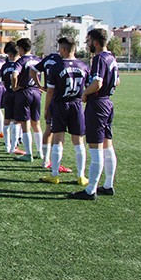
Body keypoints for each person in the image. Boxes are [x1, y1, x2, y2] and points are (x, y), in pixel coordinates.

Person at [68, 28, 120, 200]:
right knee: (107, 144)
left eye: (89, 41)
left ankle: (90, 190)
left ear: (95, 43)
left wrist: (84, 93)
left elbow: (97, 83)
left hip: (97, 104)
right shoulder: (112, 57)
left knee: (96, 147)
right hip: (108, 103)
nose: (88, 44)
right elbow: (117, 81)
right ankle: (108, 185)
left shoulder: (98, 58)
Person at [40, 37, 89, 186]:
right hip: (77, 105)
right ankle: (81, 176)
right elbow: (88, 87)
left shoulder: (56, 66)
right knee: (78, 140)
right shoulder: (84, 66)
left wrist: (47, 108)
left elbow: (50, 92)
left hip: (60, 105)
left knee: (58, 139)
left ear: (63, 49)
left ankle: (55, 175)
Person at [30, 52, 73, 173]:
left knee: (49, 129)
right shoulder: (63, 61)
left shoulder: (49, 58)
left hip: (52, 97)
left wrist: (39, 85)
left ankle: (46, 160)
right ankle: (54, 164)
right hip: (61, 98)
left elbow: (32, 70)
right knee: (59, 133)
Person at [12, 38, 43, 162]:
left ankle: (28, 154)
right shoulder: (38, 60)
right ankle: (40, 152)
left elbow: (14, 74)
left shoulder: (21, 61)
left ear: (21, 49)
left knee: (26, 124)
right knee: (37, 123)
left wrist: (14, 87)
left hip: (24, 92)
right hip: (36, 92)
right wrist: (40, 85)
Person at [0, 42, 25, 154]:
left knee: (6, 120)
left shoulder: (4, 66)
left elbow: (3, 81)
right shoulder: (20, 65)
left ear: (9, 54)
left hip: (7, 94)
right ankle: (13, 147)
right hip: (17, 94)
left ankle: (7, 146)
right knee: (16, 121)